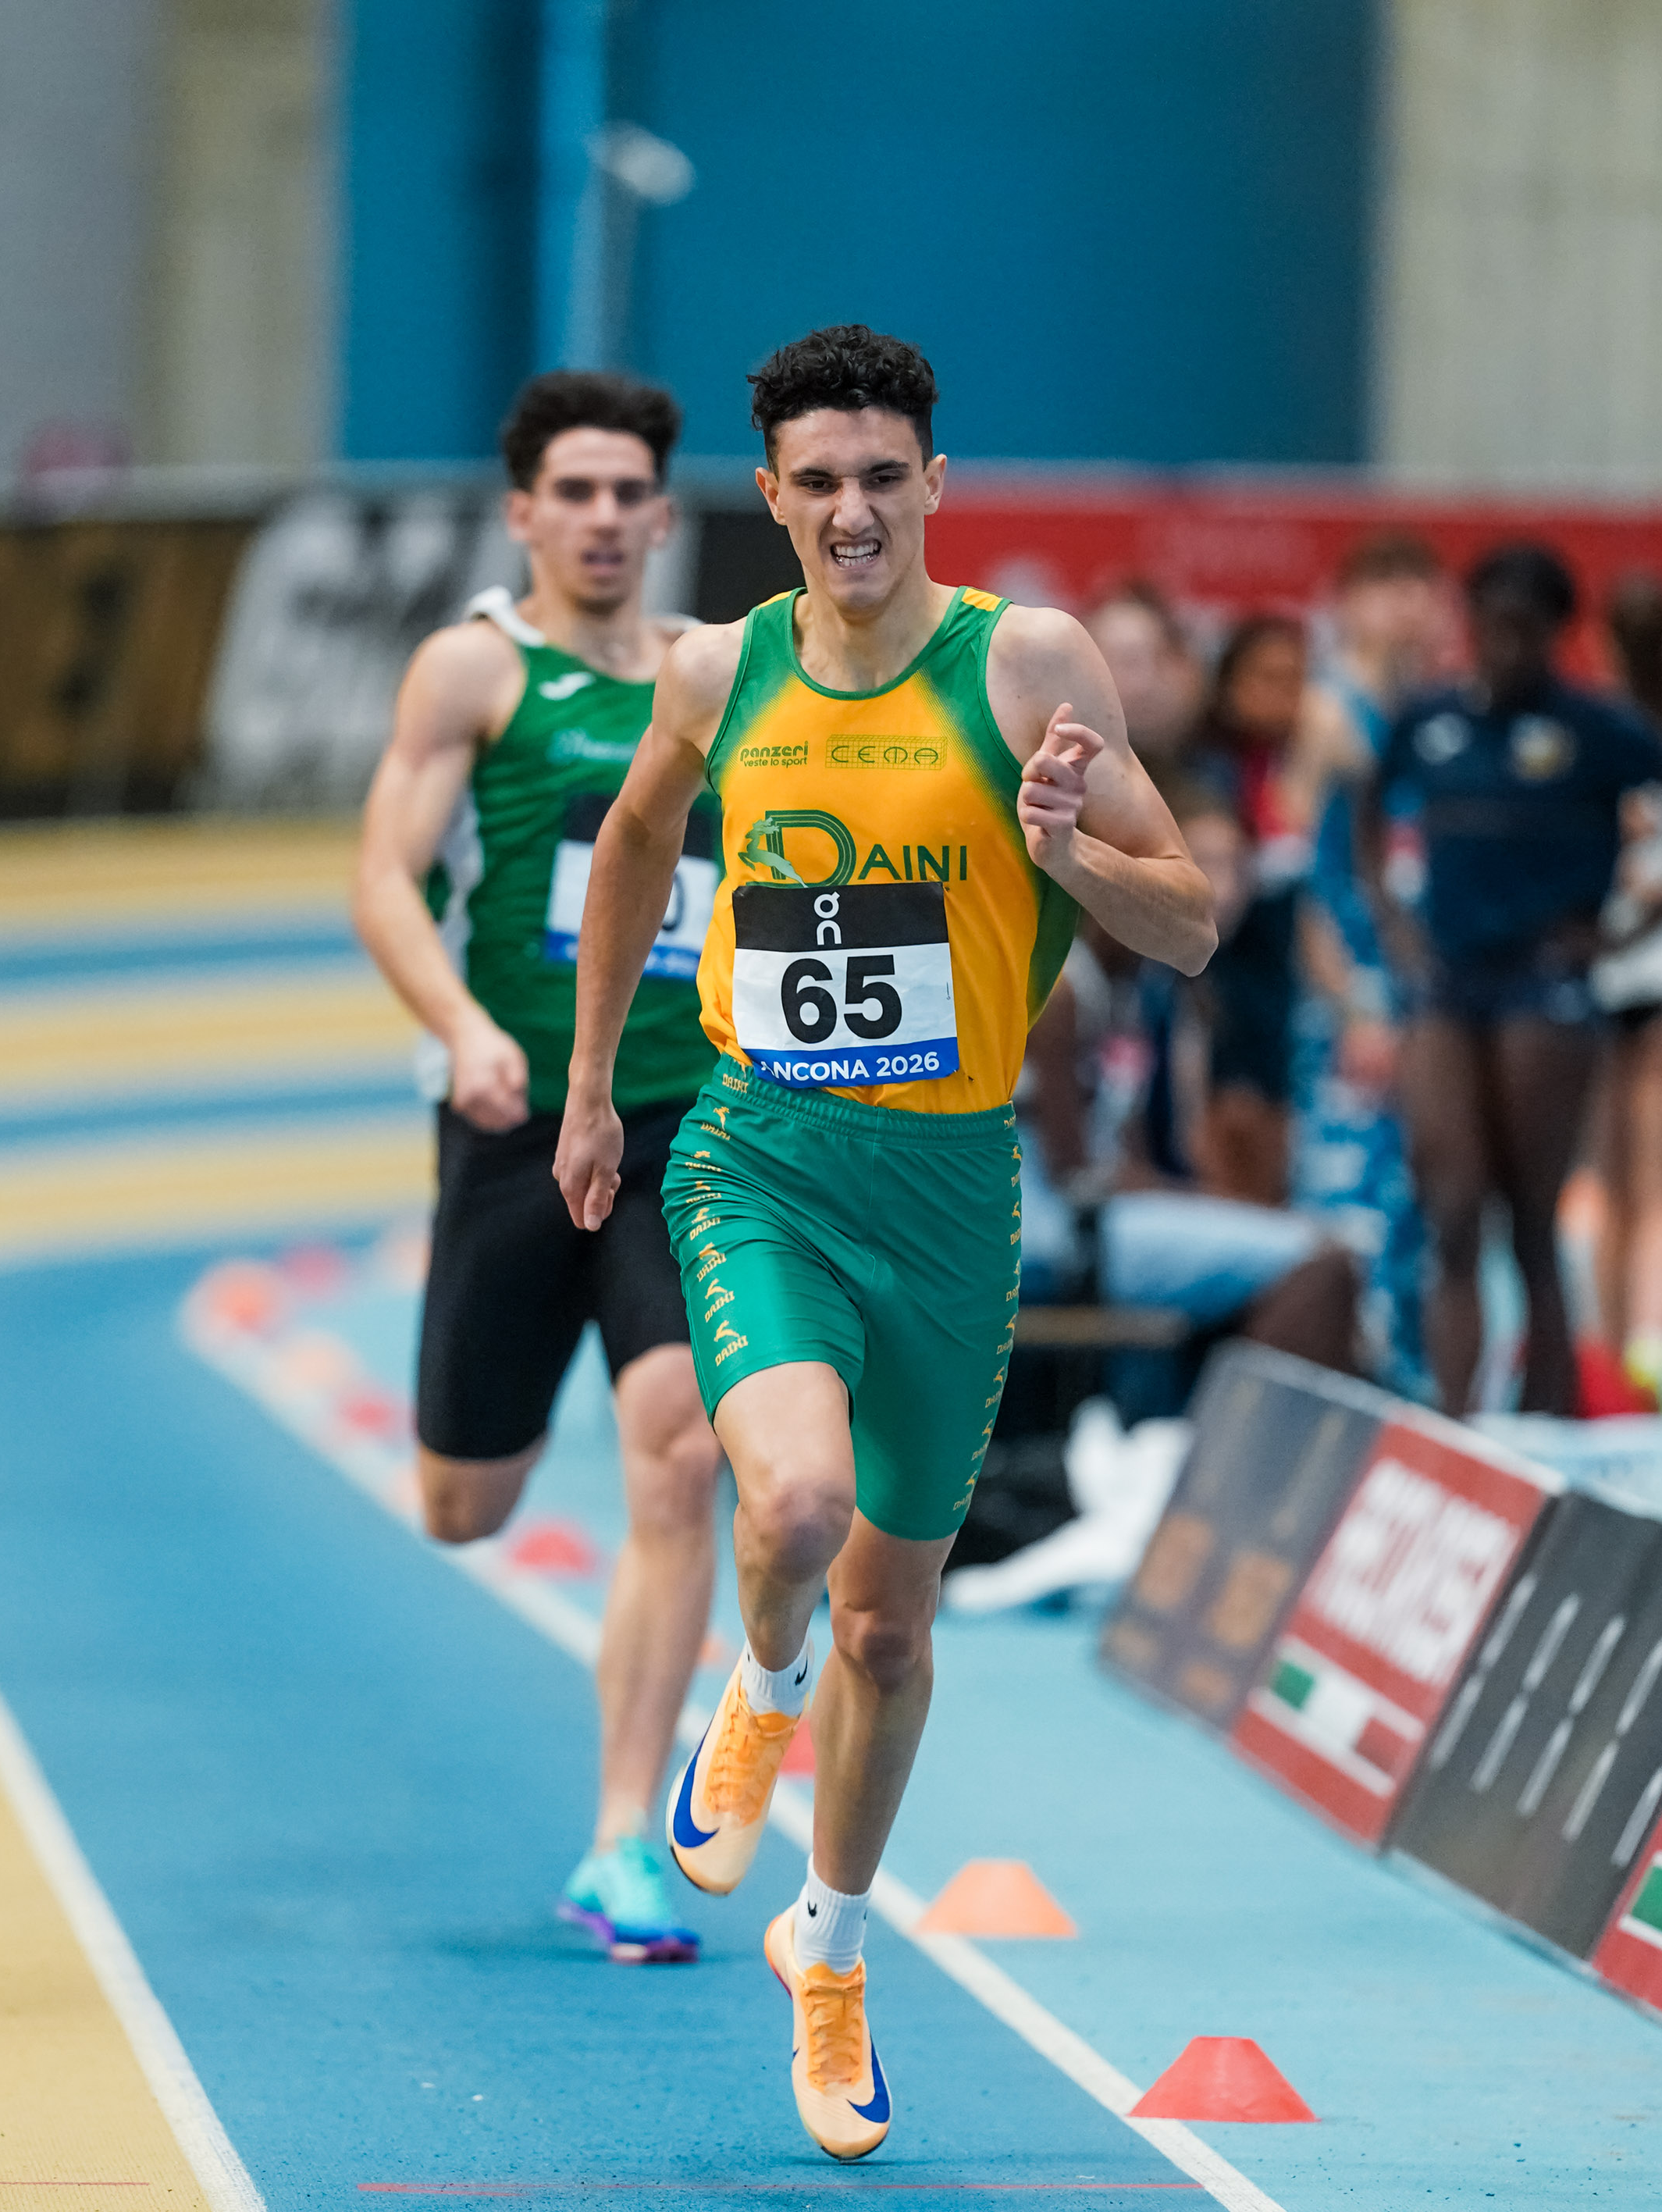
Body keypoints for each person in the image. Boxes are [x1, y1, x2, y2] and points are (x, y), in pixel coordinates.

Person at [553, 325, 1214, 2159]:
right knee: (789, 1507)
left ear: (934, 483)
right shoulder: (715, 669)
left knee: (895, 1630)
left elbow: (1189, 922)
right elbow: (633, 845)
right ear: (771, 499)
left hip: (949, 1198)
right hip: (759, 1163)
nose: (851, 510)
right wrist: (594, 1082)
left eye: (880, 477)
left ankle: (828, 1946)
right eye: (817, 483)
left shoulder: (1029, 664)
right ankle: (759, 1688)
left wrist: (1069, 852)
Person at [350, 369, 727, 1964]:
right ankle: (621, 1817)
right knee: (463, 1502)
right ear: (523, 513)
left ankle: (625, 1834)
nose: (602, 518)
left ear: (665, 513)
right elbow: (382, 876)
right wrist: (458, 1028)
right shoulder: (475, 670)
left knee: (681, 1450)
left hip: (681, 1123)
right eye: (573, 491)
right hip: (512, 1116)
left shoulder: (719, 676)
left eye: (628, 491)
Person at [1357, 542, 1662, 1417]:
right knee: (1453, 1211)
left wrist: (1625, 934)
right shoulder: (1430, 719)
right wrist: (1394, 922)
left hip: (1544, 986)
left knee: (1530, 1220)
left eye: (1525, 631)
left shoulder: (1595, 727)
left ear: (1556, 633)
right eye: (1490, 627)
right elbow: (1367, 811)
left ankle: (1547, 1419)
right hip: (1449, 981)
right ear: (1469, 624)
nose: (1505, 647)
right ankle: (1455, 1420)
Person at [1021, 793, 1365, 1378]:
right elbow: (1076, 1174)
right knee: (1318, 1260)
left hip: (1102, 1213)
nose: (1212, 894)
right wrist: (1209, 1203)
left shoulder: (1148, 993)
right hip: (1043, 1227)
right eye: (1192, 877)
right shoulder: (1065, 992)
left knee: (1322, 1252)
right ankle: (1232, 1437)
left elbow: (1132, 1153)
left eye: (1233, 870)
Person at [1288, 531, 1446, 1394]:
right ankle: (1350, 1375)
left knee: (1414, 1192)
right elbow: (1300, 876)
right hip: (1347, 991)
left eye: (1421, 587)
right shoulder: (1328, 715)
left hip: (1416, 986)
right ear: (1346, 605)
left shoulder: (1428, 715)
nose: (1408, 606)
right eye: (1388, 587)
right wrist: (1349, 999)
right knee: (1346, 1190)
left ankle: (1406, 1370)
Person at [1587, 568, 1662, 1403]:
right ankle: (1649, 1354)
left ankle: (1614, 1365)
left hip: (1608, 966)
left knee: (1616, 1189)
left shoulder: (1588, 730)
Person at [1189, 612, 1316, 1204]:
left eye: (1296, 680)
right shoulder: (1208, 773)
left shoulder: (1284, 766)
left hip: (1277, 997)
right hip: (1223, 993)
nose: (1283, 696)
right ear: (1228, 684)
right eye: (1266, 678)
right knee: (1235, 1160)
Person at [1084, 580, 1199, 771]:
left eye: (1159, 658)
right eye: (1127, 662)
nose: (1145, 683)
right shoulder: (1061, 774)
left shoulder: (1217, 766)